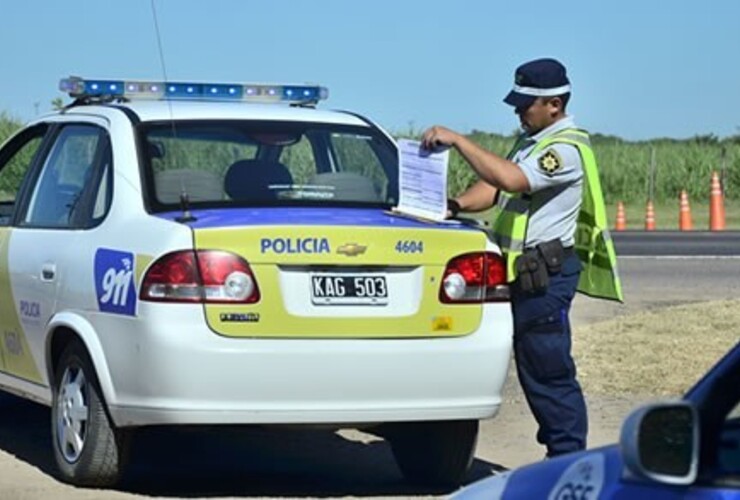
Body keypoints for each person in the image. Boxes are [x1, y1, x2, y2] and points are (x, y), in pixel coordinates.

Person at [421, 58, 622, 458]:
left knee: (548, 371)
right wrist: (454, 205)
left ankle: (566, 459)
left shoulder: (564, 150)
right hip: (521, 273)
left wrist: (460, 141)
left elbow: (512, 180)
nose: (518, 110)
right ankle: (562, 455)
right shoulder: (533, 141)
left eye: (526, 103)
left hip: (544, 275)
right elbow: (494, 189)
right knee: (533, 370)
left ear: (555, 104)